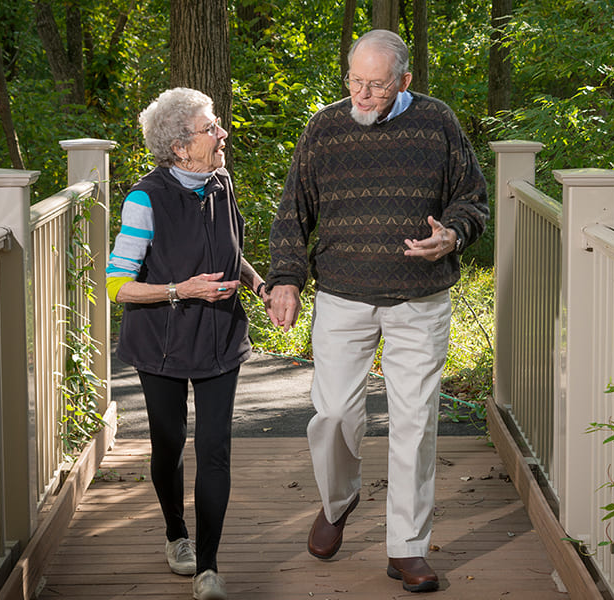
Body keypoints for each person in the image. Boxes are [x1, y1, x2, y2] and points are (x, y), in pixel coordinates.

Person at [265, 29, 489, 593]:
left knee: (415, 425)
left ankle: (406, 548)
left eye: (376, 85)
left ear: (405, 81)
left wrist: (453, 236)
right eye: (354, 81)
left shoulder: (438, 123)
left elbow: (472, 198)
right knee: (334, 415)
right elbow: (294, 210)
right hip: (342, 294)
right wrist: (287, 279)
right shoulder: (324, 127)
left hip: (420, 299)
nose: (361, 95)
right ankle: (338, 500)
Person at [106, 87, 271, 600]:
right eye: (210, 128)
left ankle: (208, 566)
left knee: (215, 449)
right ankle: (176, 534)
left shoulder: (222, 182)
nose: (222, 134)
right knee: (170, 443)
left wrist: (261, 286)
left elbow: (231, 251)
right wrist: (181, 290)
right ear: (179, 147)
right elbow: (117, 284)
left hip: (220, 335)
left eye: (217, 124)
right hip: (161, 342)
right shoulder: (144, 198)